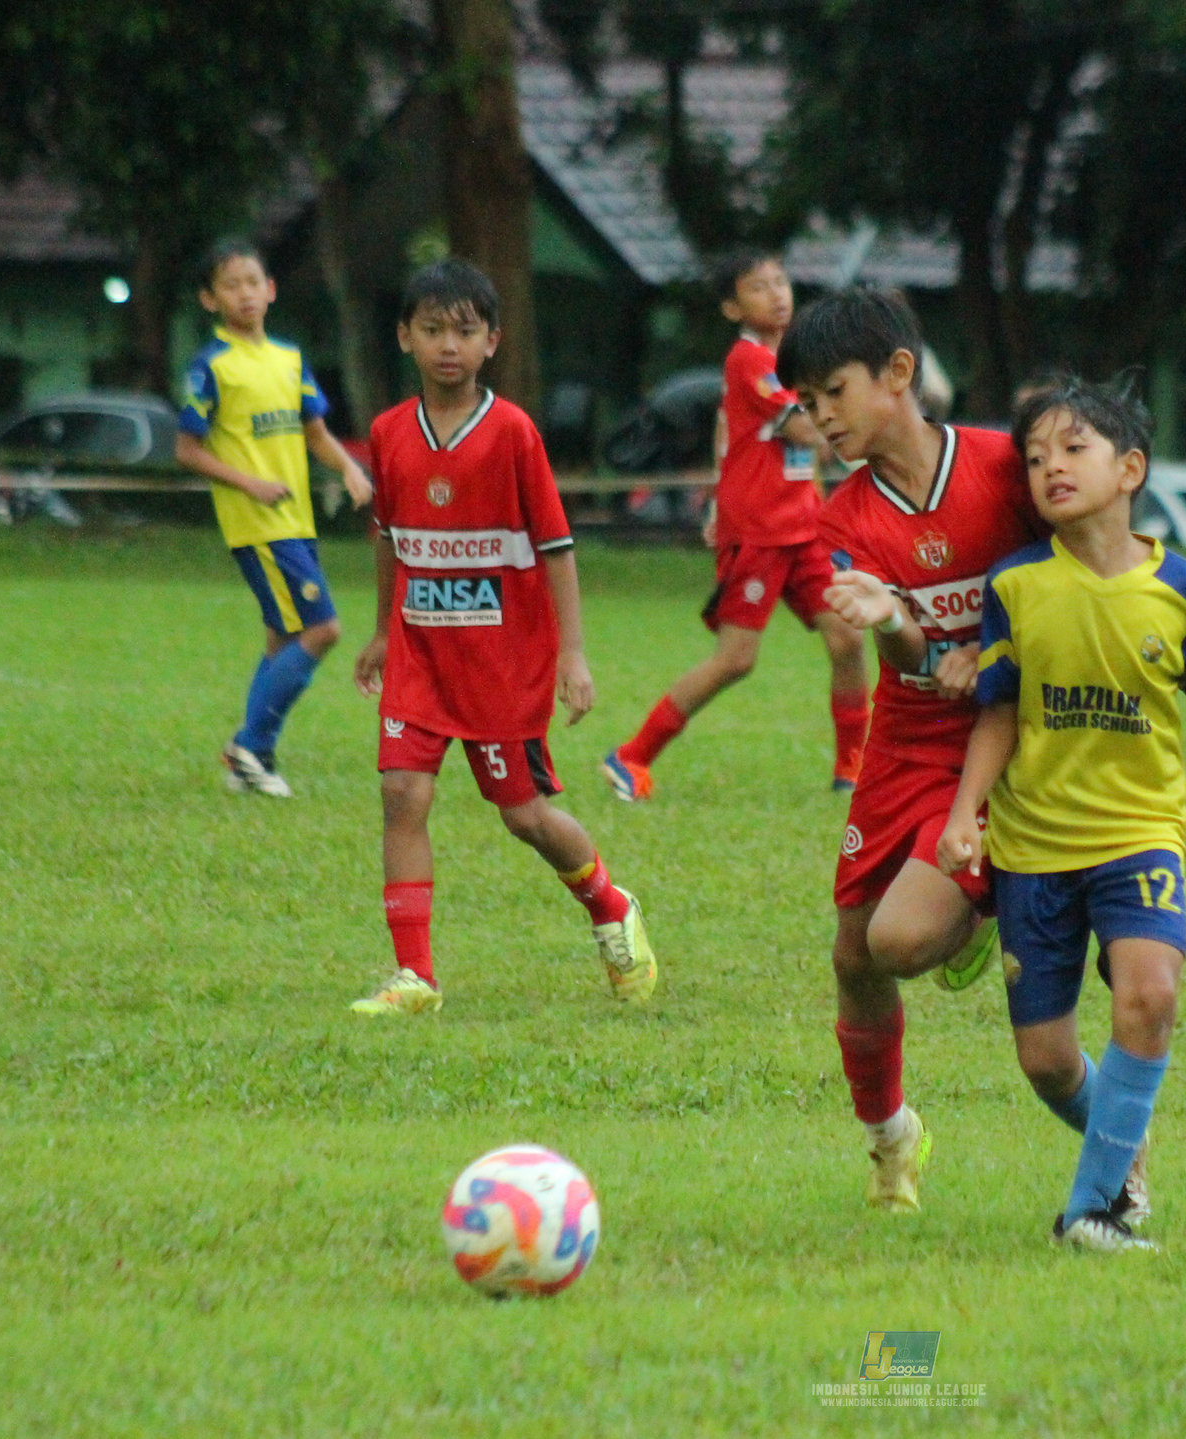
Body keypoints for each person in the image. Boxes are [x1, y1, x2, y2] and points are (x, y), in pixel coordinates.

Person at [936, 374, 1186, 1254]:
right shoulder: (1016, 585)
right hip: (1034, 846)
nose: (1050, 467)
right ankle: (1123, 1147)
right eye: (1034, 458)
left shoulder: (1183, 589)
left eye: (1073, 448)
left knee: (1149, 995)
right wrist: (966, 811)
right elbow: (999, 712)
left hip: (1140, 835)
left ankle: (1093, 1209)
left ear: (1130, 469)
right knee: (1046, 1060)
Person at [775, 288, 1040, 1213]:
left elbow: (1078, 573)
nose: (821, 417)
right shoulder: (845, 516)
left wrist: (999, 655)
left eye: (833, 392)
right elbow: (908, 656)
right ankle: (892, 1139)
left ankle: (982, 895)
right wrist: (894, 621)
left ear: (898, 373)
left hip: (1010, 741)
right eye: (807, 402)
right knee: (854, 955)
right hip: (905, 740)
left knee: (897, 940)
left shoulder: (1007, 467)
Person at [349, 259, 656, 1015]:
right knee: (401, 793)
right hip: (421, 655)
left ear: (492, 340)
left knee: (525, 816)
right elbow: (389, 536)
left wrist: (572, 654)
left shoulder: (513, 432)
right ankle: (414, 975)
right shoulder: (388, 433)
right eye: (431, 330)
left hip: (502, 665)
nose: (448, 345)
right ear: (404, 337)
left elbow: (556, 545)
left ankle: (611, 905)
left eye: (464, 331)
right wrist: (384, 630)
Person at [603, 250, 868, 801]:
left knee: (847, 638)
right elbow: (804, 432)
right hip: (760, 533)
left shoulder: (793, 359)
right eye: (758, 287)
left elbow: (729, 429)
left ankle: (854, 770)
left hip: (805, 527)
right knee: (735, 660)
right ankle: (631, 757)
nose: (777, 294)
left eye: (781, 282)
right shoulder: (750, 360)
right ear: (732, 308)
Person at [175, 239, 373, 798]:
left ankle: (248, 754)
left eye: (252, 282)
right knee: (324, 629)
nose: (245, 293)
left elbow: (316, 433)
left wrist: (350, 470)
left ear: (271, 290)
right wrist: (250, 484)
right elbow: (187, 450)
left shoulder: (289, 359)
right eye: (230, 285)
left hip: (297, 520)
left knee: (282, 638)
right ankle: (252, 746)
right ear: (210, 300)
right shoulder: (212, 366)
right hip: (258, 523)